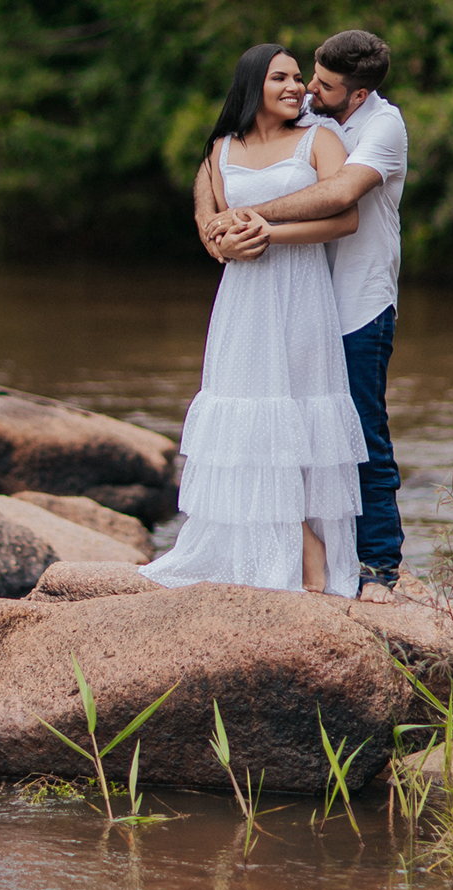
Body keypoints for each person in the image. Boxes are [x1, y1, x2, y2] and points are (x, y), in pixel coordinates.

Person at [139, 43, 368, 596]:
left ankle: (314, 552)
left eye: (297, 78)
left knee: (298, 417)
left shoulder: (320, 139)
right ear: (252, 87)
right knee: (248, 420)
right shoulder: (221, 149)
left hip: (302, 294)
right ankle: (286, 548)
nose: (296, 88)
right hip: (243, 301)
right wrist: (225, 245)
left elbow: (345, 218)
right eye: (280, 78)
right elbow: (214, 225)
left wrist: (268, 233)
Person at [196, 30, 407, 603]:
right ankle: (290, 547)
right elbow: (217, 154)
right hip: (271, 302)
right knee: (264, 423)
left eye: (319, 83)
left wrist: (246, 219)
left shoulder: (380, 129)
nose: (307, 89)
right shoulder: (312, 106)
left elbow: (340, 200)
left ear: (356, 95)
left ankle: (378, 568)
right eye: (297, 77)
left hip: (355, 301)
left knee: (358, 432)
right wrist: (212, 227)